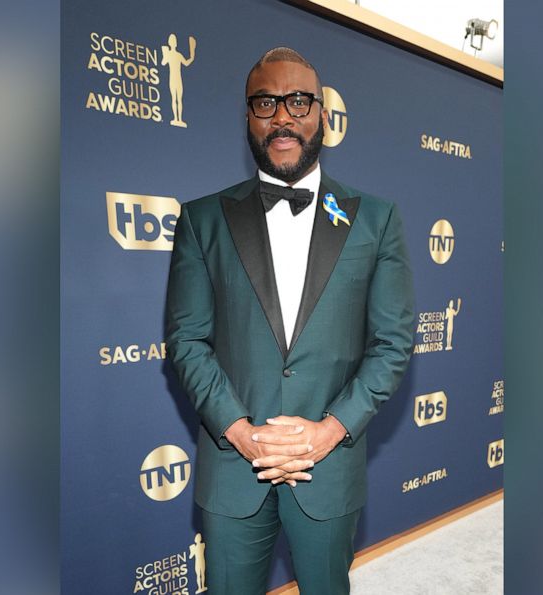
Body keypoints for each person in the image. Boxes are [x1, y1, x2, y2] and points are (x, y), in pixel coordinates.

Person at [165, 47, 414, 595]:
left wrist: (329, 430)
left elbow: (393, 342)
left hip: (330, 467)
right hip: (233, 468)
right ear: (247, 117)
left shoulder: (376, 219)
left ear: (322, 114)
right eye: (265, 102)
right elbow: (186, 339)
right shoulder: (202, 219)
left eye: (298, 101)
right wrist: (241, 432)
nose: (282, 116)